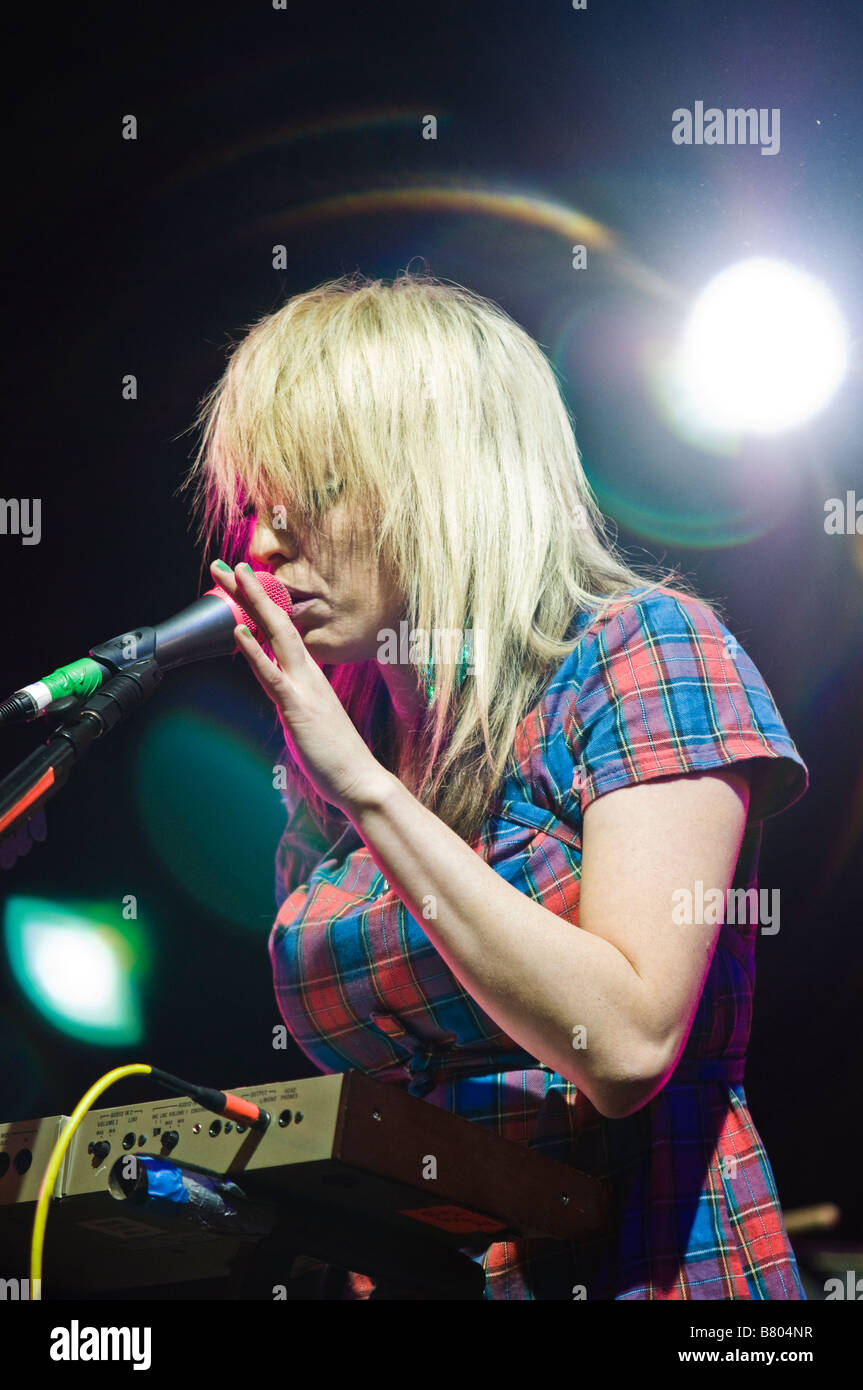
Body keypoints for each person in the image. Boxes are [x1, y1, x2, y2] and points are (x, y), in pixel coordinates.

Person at [185, 270, 808, 1300]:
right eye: (253, 504)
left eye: (317, 493)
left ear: (445, 477)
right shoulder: (349, 747)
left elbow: (621, 1044)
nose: (258, 544)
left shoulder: (641, 653)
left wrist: (369, 796)